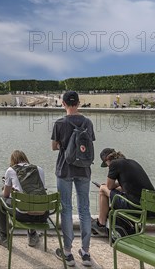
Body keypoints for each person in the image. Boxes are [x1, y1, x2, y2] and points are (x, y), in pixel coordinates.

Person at [51, 90, 95, 267]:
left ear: (63, 104)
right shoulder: (87, 122)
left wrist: (63, 143)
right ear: (79, 103)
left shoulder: (60, 122)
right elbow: (89, 144)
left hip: (65, 169)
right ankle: (85, 252)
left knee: (66, 209)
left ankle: (68, 252)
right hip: (84, 170)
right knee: (84, 209)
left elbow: (54, 147)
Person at [91, 148, 155, 237]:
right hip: (150, 207)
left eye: (106, 165)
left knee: (102, 189)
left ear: (107, 160)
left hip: (136, 207)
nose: (108, 167)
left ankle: (101, 224)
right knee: (108, 189)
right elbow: (130, 185)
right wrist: (116, 186)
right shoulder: (132, 162)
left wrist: (105, 186)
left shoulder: (114, 164)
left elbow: (109, 186)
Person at [0, 150, 47, 249]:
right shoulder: (39, 169)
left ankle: (3, 236)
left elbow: (6, 195)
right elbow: (37, 191)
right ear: (25, 159)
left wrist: (7, 189)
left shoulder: (10, 170)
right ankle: (32, 235)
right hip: (43, 215)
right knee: (33, 200)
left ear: (12, 160)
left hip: (22, 215)